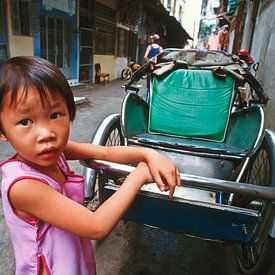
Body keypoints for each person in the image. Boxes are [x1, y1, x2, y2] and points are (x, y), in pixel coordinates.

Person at [0, 56, 181, 275]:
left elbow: (105, 151)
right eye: (25, 122)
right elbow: (96, 226)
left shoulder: (54, 152)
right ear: (2, 132)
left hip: (71, 259)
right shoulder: (24, 186)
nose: (46, 134)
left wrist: (148, 153)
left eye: (55, 115)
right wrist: (139, 174)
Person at [144, 34, 163, 103]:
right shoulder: (160, 49)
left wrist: (150, 62)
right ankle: (154, 102)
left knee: (149, 86)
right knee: (156, 84)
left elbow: (145, 56)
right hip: (158, 69)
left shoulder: (149, 47)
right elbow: (161, 58)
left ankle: (148, 102)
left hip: (150, 68)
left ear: (153, 40)